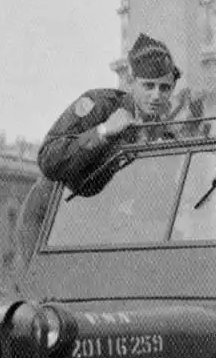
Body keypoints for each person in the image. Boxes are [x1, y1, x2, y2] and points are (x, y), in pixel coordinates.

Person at [17, 34, 184, 267]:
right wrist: (102, 131)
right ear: (130, 82)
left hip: (96, 221)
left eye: (164, 88)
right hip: (50, 217)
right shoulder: (100, 105)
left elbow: (151, 210)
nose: (156, 95)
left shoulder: (163, 134)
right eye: (148, 86)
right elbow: (48, 158)